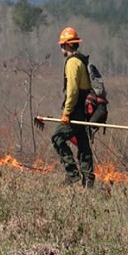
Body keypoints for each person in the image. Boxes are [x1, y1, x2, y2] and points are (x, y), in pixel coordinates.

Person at [52, 26, 95, 188]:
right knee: (83, 143)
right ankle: (88, 179)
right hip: (83, 109)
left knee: (57, 138)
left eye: (62, 45)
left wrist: (67, 112)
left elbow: (72, 90)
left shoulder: (72, 62)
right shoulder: (81, 60)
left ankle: (73, 174)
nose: (61, 48)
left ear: (67, 45)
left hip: (75, 109)